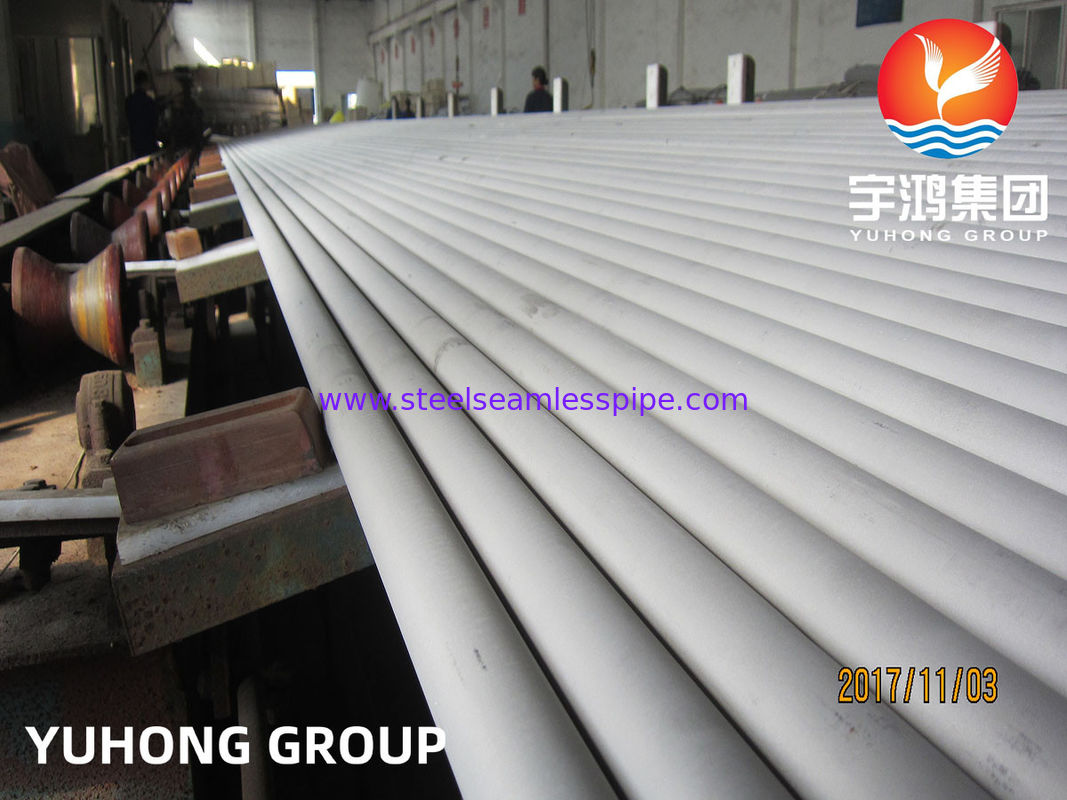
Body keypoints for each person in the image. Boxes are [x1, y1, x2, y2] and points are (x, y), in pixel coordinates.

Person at [125, 70, 158, 157]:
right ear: (144, 83)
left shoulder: (129, 101)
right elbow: (154, 120)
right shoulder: (148, 101)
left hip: (135, 141)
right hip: (149, 140)